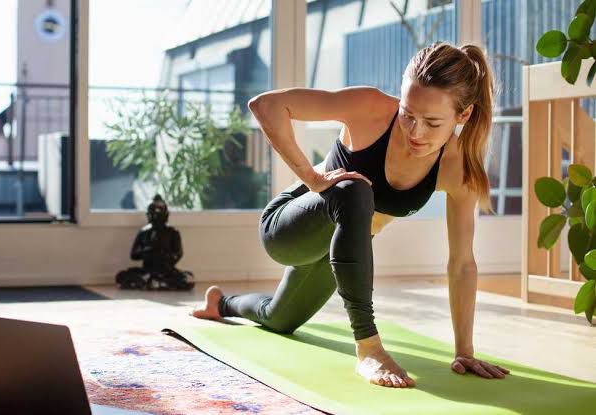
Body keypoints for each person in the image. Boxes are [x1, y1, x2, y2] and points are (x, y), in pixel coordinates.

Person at [190, 41, 511, 388]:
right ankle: (369, 348)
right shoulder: (370, 108)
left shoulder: (458, 168)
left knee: (279, 319)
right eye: (407, 113)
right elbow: (267, 105)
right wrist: (312, 178)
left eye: (432, 123)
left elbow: (462, 262)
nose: (415, 132)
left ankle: (220, 304)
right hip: (287, 229)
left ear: (463, 116)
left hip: (342, 252)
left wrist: (464, 349)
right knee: (357, 190)